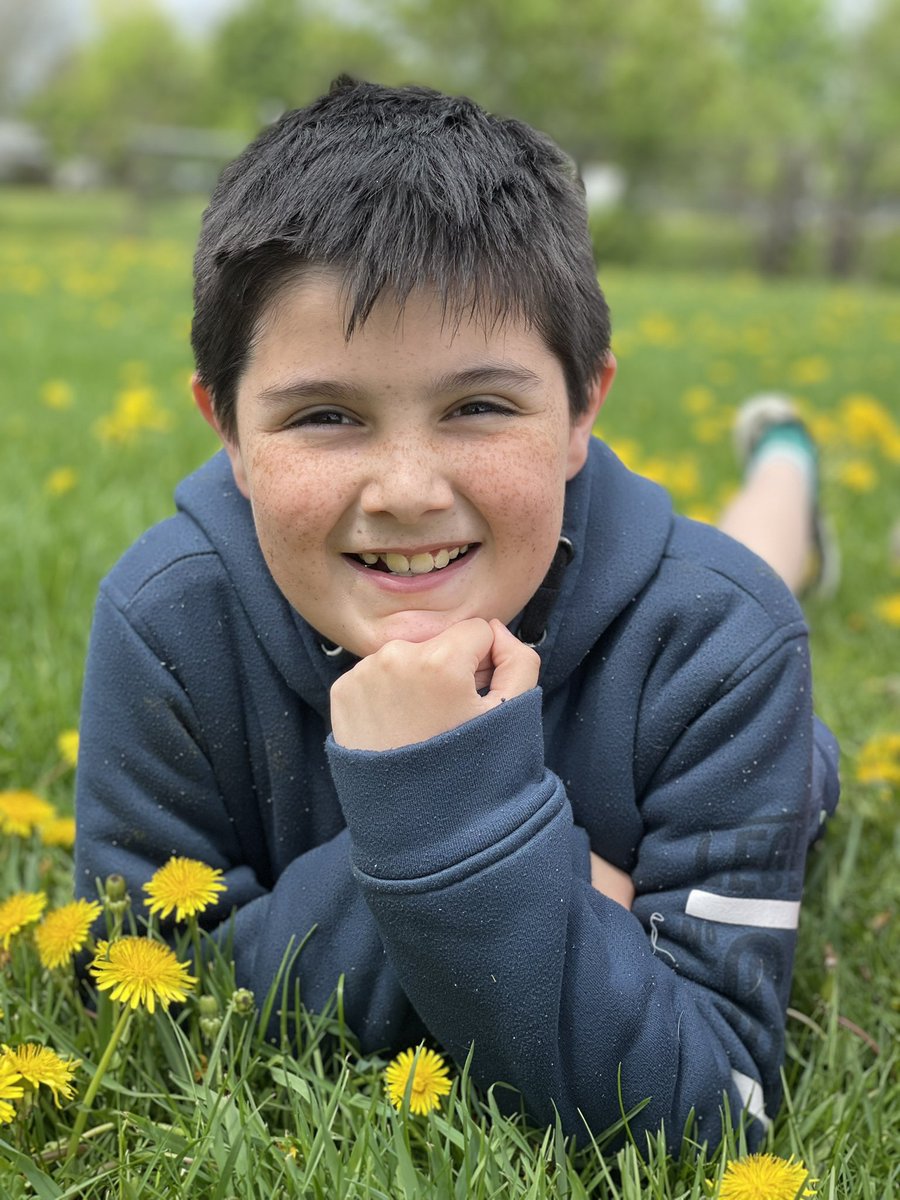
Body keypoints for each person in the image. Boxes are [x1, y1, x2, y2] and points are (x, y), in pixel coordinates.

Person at [74, 78, 840, 1150]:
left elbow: (716, 1115)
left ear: (581, 410)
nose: (407, 490)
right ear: (229, 433)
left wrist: (438, 831)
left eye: (479, 406)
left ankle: (788, 461)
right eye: (325, 415)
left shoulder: (722, 641)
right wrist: (498, 852)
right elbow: (137, 1004)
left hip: (711, 624)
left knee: (754, 567)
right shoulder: (168, 619)